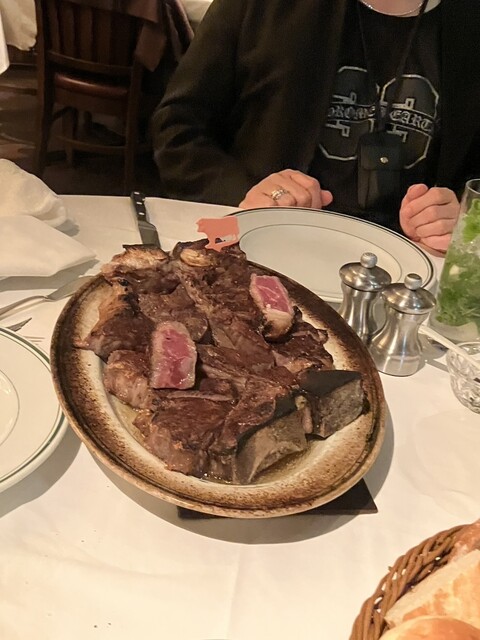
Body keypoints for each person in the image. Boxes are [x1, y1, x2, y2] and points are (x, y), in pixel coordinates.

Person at [151, 0, 480, 253]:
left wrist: (463, 215)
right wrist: (244, 194)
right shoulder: (263, 8)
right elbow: (177, 126)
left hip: (411, 277)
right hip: (259, 250)